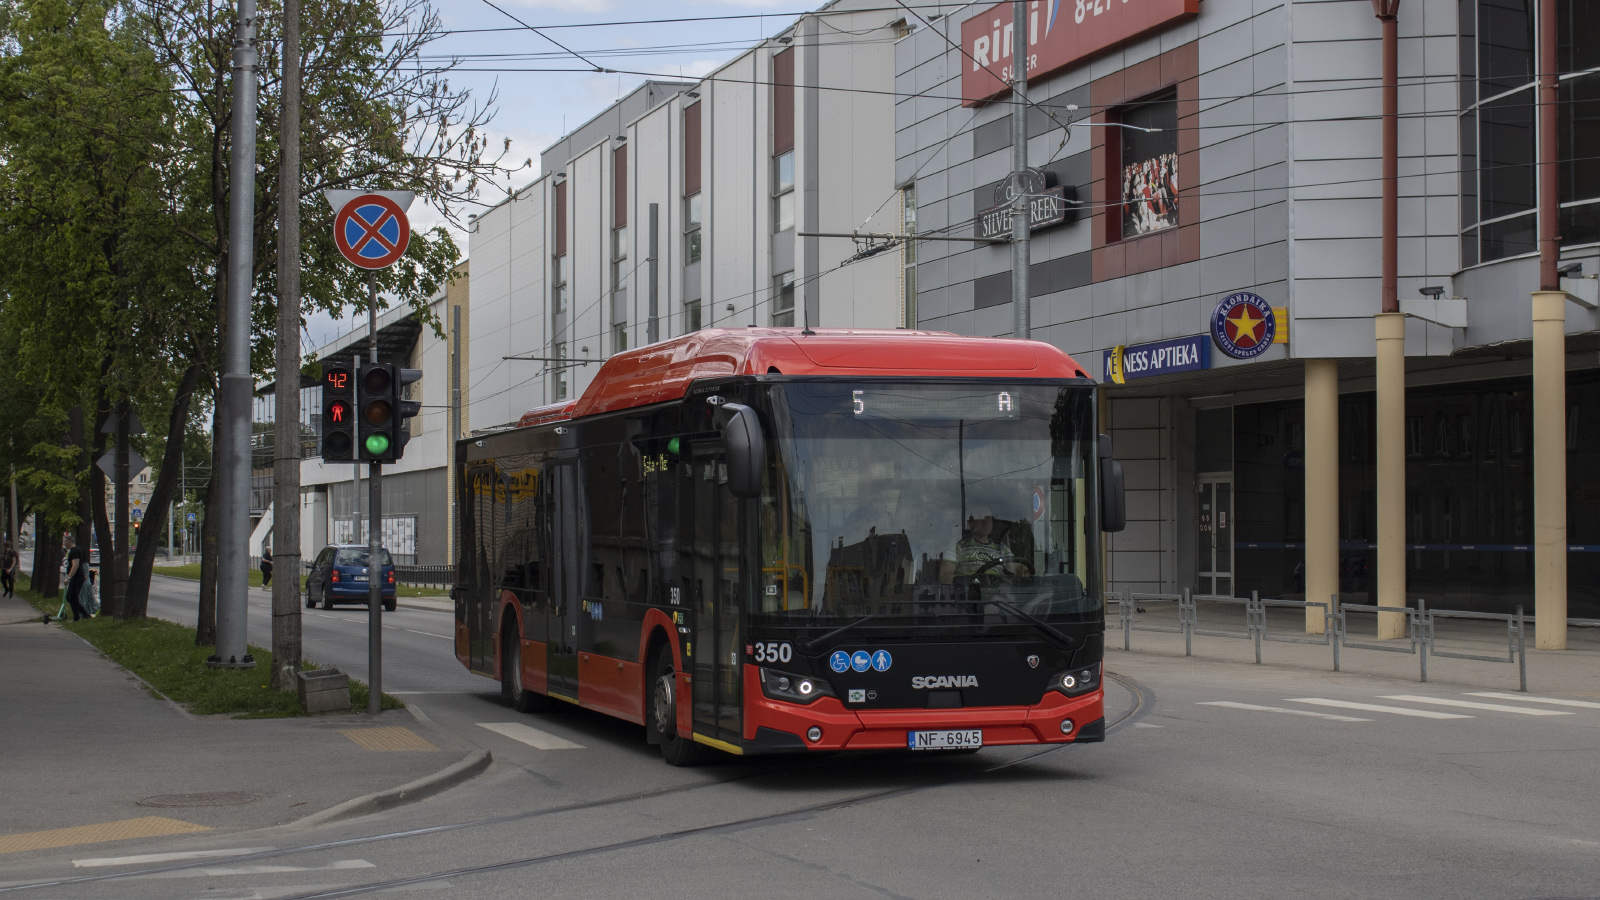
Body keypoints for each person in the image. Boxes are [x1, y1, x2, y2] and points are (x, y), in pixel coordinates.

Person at [938, 506, 1027, 584]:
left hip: (997, 595)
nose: (986, 521)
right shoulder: (958, 545)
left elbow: (1013, 565)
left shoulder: (1001, 548)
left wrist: (1022, 569)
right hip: (966, 596)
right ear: (971, 523)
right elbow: (945, 574)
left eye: (988, 518)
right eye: (980, 517)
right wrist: (965, 583)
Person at [62, 533, 91, 621]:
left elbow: (75, 565)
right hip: (76, 577)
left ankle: (77, 617)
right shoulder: (74, 550)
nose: (64, 544)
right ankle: (84, 614)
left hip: (77, 577)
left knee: (72, 597)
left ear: (68, 542)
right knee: (70, 597)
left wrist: (69, 577)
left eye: (65, 542)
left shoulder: (75, 551)